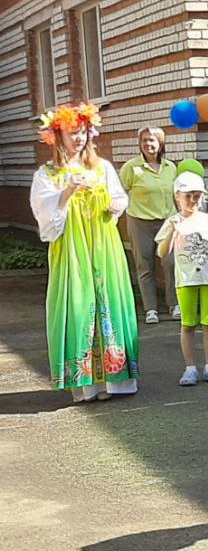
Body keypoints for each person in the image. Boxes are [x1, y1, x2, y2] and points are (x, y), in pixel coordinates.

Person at [29, 102, 139, 402]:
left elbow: (120, 200)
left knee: (110, 304)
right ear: (58, 136)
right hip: (72, 251)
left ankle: (116, 381)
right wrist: (67, 193)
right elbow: (45, 219)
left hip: (104, 247)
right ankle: (87, 384)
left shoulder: (101, 167)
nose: (78, 138)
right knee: (78, 308)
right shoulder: (48, 174)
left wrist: (112, 204)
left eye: (83, 132)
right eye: (72, 133)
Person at [156, 172, 208, 386]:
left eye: (197, 196)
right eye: (189, 196)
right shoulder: (173, 221)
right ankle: (190, 367)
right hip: (186, 280)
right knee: (188, 324)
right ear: (178, 197)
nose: (193, 201)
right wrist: (171, 232)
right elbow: (161, 252)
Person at [119, 126, 178, 323]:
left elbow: (177, 195)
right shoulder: (132, 167)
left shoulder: (171, 167)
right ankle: (150, 309)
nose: (148, 144)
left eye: (152, 140)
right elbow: (121, 192)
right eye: (144, 141)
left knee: (170, 263)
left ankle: (174, 304)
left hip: (167, 222)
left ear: (160, 143)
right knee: (145, 266)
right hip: (140, 221)